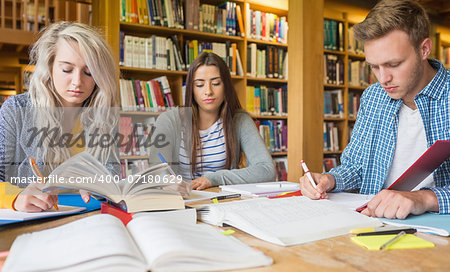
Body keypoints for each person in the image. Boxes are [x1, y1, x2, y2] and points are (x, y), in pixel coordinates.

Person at [300, 0, 449, 219]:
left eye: (394, 64)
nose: (383, 78)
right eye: (374, 66)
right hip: (374, 223)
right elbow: (356, 167)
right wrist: (330, 180)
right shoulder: (373, 97)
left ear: (424, 49)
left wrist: (424, 198)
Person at [0, 22, 120, 212]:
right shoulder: (16, 110)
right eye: (67, 69)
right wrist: (14, 198)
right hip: (34, 220)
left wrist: (100, 185)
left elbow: (112, 177)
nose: (77, 81)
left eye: (89, 72)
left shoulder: (103, 115)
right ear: (50, 67)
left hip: (89, 218)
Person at [150, 52, 276, 190]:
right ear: (191, 89)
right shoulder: (169, 121)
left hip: (223, 201)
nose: (208, 91)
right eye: (199, 85)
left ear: (226, 86)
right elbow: (155, 172)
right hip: (181, 202)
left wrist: (214, 178)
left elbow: (267, 170)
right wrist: (166, 181)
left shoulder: (239, 121)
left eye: (215, 83)